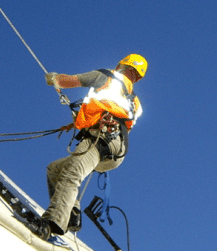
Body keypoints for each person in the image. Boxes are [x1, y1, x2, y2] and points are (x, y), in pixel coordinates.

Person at [36, 54, 147, 239]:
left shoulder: (107, 76)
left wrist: (54, 79)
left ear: (122, 65)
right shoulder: (136, 103)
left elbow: (70, 81)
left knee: (72, 172)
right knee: (55, 169)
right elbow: (117, 116)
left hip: (100, 138)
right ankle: (72, 213)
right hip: (116, 151)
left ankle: (52, 223)